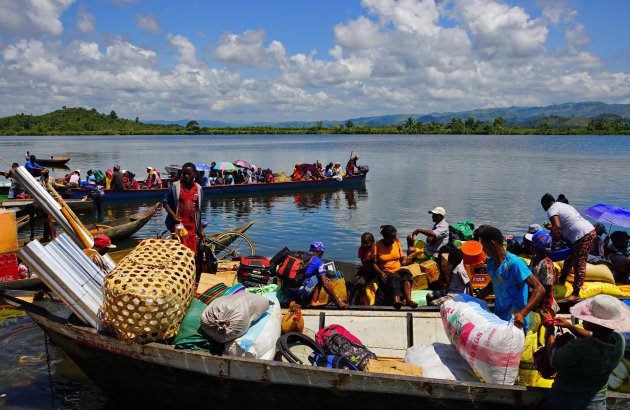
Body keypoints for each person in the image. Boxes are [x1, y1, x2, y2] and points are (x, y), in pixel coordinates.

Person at [543, 295, 629, 410]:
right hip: (597, 402)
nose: (583, 318)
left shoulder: (580, 346)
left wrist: (549, 331)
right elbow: (593, 336)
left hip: (567, 401)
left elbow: (554, 359)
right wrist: (570, 326)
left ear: (597, 324)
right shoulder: (619, 340)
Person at [477, 226, 545, 330]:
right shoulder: (490, 262)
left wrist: (523, 313)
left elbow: (540, 289)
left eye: (483, 246)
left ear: (491, 244)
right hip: (499, 319)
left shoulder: (515, 263)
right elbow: (495, 282)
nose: (483, 249)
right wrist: (477, 300)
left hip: (516, 322)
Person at [541, 193, 595, 302]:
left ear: (545, 204)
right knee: (569, 259)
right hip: (583, 232)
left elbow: (557, 227)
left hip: (582, 235)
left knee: (579, 263)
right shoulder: (562, 205)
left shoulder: (551, 209)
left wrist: (551, 241)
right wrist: (552, 228)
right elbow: (565, 222)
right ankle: (562, 281)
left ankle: (576, 293)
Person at [281, 242, 348, 308]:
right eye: (322, 253)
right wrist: (338, 302)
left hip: (287, 292)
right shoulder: (319, 262)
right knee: (322, 279)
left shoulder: (301, 257)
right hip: (299, 294)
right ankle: (314, 301)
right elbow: (325, 285)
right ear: (319, 253)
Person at [372, 225, 418, 309]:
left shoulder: (396, 242)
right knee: (395, 277)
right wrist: (380, 272)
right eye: (392, 237)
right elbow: (373, 263)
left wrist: (411, 260)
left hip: (397, 269)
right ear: (385, 237)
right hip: (385, 272)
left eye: (395, 236)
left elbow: (402, 260)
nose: (394, 239)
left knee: (406, 273)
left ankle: (408, 300)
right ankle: (397, 300)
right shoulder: (377, 245)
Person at [163, 162, 203, 254]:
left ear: (195, 174)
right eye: (184, 174)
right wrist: (173, 216)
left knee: (192, 253)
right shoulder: (175, 187)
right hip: (179, 227)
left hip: (192, 227)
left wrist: (200, 229)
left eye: (189, 174)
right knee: (179, 253)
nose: (186, 176)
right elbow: (165, 202)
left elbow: (199, 211)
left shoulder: (199, 189)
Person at [528, 230, 558, 318]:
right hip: (534, 298)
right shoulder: (535, 259)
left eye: (531, 243)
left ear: (535, 246)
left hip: (543, 303)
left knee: (545, 325)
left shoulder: (546, 265)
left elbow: (548, 288)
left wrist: (544, 308)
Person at [348, 232, 376, 304]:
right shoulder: (361, 249)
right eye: (363, 243)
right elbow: (363, 262)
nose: (364, 245)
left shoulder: (376, 248)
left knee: (360, 283)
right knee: (355, 281)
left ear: (373, 242)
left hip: (373, 271)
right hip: (364, 268)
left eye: (367, 243)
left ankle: (357, 301)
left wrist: (370, 260)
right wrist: (370, 259)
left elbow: (375, 262)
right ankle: (349, 300)